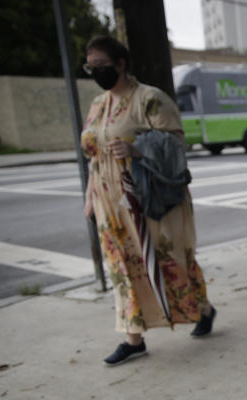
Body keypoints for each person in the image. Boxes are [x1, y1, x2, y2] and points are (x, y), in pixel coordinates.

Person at [81, 36, 215, 367]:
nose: (96, 71)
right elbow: (94, 157)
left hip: (148, 200)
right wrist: (89, 198)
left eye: (101, 65)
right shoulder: (98, 104)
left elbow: (176, 145)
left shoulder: (150, 99)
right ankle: (133, 338)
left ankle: (204, 310)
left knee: (170, 261)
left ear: (121, 63)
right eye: (91, 67)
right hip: (109, 202)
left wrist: (136, 148)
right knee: (122, 267)